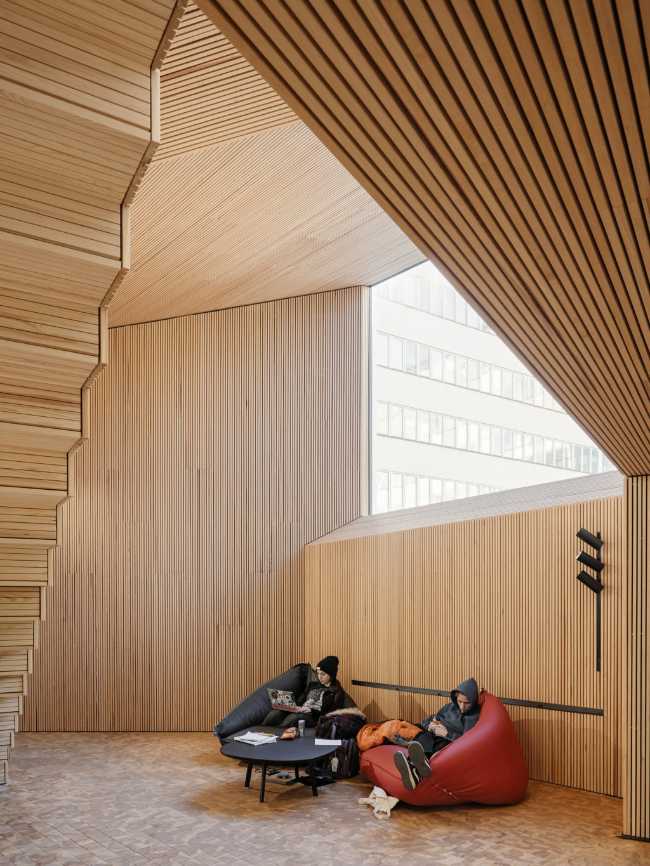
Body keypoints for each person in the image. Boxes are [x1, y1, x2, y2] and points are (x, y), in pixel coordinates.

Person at [393, 677, 480, 791]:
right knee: (423, 735)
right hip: (432, 734)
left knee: (438, 744)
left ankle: (413, 767)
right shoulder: (449, 708)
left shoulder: (473, 718)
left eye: (467, 703)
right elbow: (432, 718)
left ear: (473, 701)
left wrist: (447, 734)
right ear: (456, 698)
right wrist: (430, 725)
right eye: (460, 702)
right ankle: (416, 768)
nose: (462, 707)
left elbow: (468, 742)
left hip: (449, 743)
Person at [263, 656, 345, 728]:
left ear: (331, 675)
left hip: (313, 717)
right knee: (275, 713)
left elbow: (331, 713)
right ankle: (262, 729)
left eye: (323, 674)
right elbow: (302, 699)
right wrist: (292, 705)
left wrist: (309, 710)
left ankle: (278, 732)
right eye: (318, 673)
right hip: (301, 710)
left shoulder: (336, 691)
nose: (319, 677)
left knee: (294, 718)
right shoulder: (313, 685)